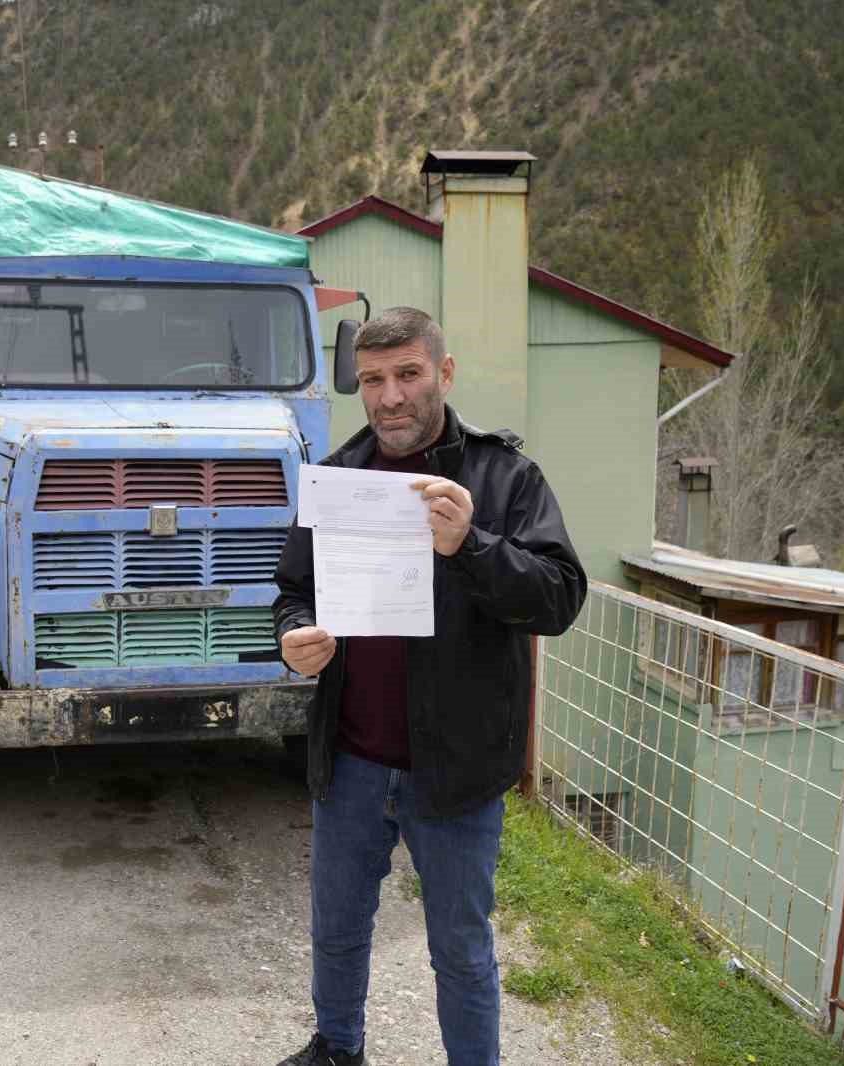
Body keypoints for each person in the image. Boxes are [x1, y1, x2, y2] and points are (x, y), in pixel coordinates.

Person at [271, 307, 587, 1066]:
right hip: (349, 758)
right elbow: (292, 588)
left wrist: (469, 545)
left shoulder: (506, 478)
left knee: (462, 952)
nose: (389, 397)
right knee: (338, 929)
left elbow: (559, 598)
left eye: (408, 374)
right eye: (373, 380)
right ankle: (337, 1049)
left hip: (456, 771)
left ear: (443, 374)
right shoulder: (339, 478)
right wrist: (294, 638)